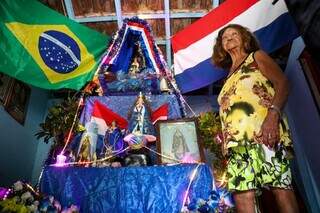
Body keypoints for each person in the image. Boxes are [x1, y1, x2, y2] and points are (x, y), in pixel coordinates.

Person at [212, 24, 299, 213]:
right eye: (224, 38)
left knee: (279, 186)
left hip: (263, 133)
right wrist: (224, 139)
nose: (228, 38)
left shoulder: (256, 57)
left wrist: (272, 117)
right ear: (222, 47)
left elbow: (283, 83)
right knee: (242, 193)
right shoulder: (227, 77)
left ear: (245, 38)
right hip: (236, 144)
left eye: (234, 34)